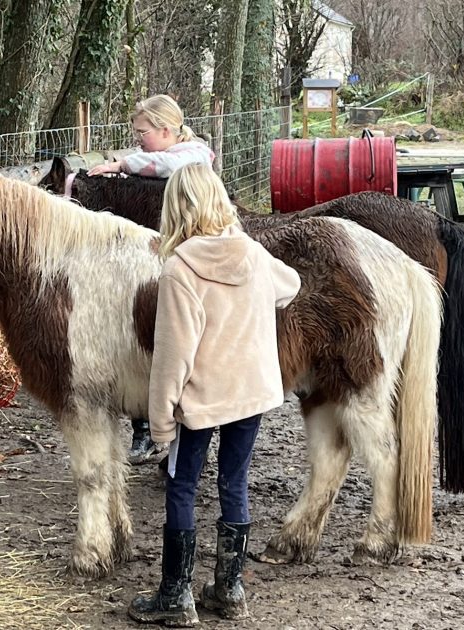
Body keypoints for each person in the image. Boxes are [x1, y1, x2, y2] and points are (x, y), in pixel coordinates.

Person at [128, 164, 301, 627]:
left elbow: (172, 356)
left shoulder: (180, 269)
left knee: (183, 484)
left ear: (175, 209)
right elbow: (292, 285)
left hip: (202, 399)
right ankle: (229, 589)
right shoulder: (252, 253)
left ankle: (176, 595)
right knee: (234, 482)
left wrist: (160, 419)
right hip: (251, 394)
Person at [87, 94, 215, 465]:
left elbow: (164, 164)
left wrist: (121, 165)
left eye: (143, 131)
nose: (138, 138)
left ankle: (180, 437)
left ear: (165, 129)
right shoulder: (161, 152)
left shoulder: (194, 154)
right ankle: (145, 431)